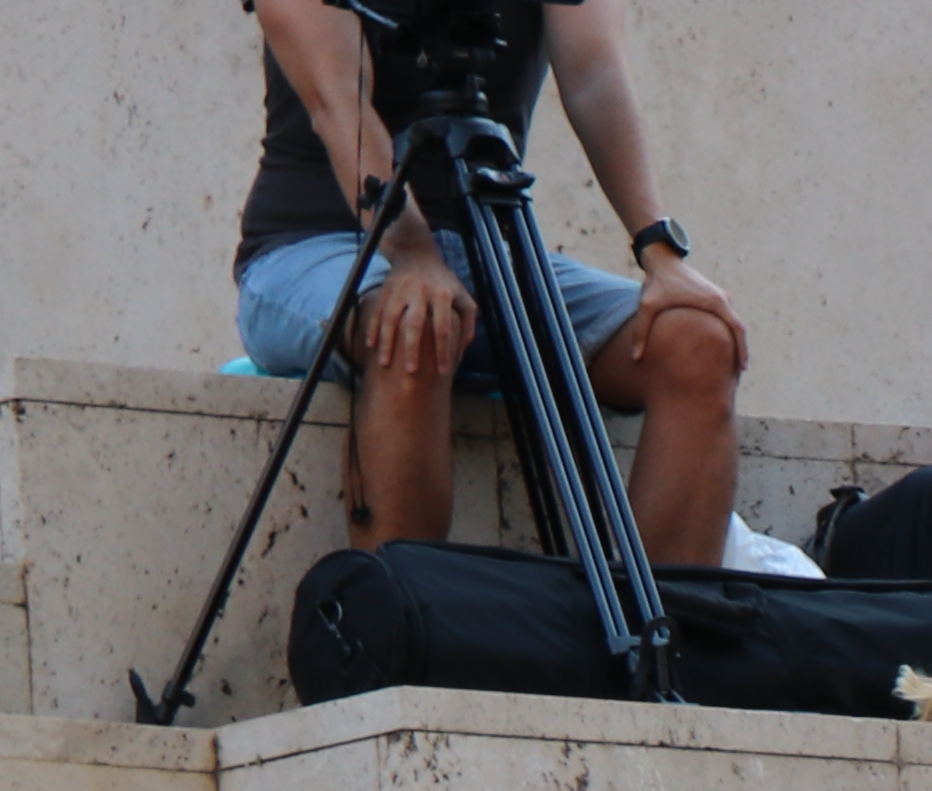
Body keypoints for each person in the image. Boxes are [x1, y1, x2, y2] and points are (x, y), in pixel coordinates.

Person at [246, 0, 736, 574]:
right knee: (416, 323)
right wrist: (411, 252)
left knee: (698, 341)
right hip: (317, 242)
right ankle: (405, 638)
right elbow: (338, 102)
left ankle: (666, 643)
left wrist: (659, 250)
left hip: (484, 250)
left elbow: (596, 75)